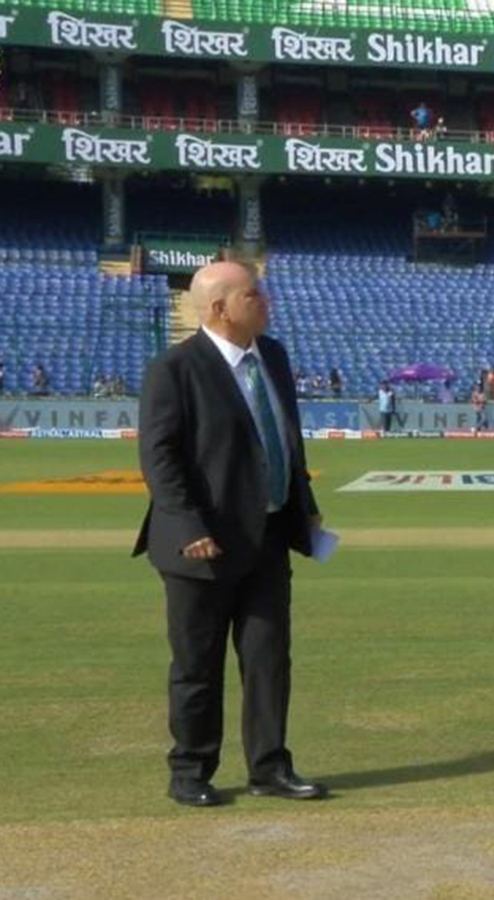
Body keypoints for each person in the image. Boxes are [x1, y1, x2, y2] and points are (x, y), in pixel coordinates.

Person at [134, 261, 329, 807]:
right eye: (254, 293)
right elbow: (159, 456)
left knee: (269, 658)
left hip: (267, 535)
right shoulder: (175, 369)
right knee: (197, 664)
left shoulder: (275, 357)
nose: (265, 300)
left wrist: (304, 506)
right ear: (219, 308)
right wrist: (190, 524)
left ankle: (270, 766)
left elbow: (288, 445)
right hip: (202, 544)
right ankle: (190, 771)